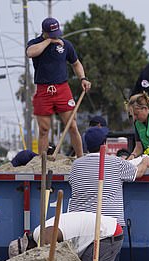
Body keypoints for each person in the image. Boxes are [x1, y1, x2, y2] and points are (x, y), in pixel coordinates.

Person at [26, 17, 91, 158]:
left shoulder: (66, 45)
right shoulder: (35, 43)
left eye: (57, 33)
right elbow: (30, 53)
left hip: (62, 89)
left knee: (72, 125)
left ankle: (80, 157)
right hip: (43, 90)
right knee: (43, 129)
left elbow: (76, 63)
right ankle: (41, 161)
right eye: (53, 33)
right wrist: (49, 41)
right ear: (45, 32)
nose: (57, 36)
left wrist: (83, 78)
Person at [8, 212, 124, 261]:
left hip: (105, 234)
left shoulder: (42, 236)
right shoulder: (39, 233)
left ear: (28, 249)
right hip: (96, 235)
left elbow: (55, 258)